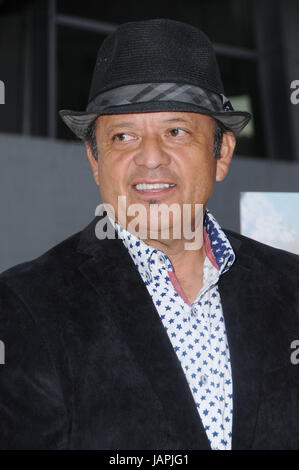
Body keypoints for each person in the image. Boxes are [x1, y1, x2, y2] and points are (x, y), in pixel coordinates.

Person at [1, 18, 299, 451]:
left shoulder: (290, 287)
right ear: (95, 159)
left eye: (176, 131)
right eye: (123, 136)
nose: (151, 158)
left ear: (222, 152)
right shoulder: (25, 306)